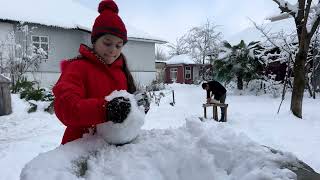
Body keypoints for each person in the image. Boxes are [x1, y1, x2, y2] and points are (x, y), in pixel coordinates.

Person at [53, 0, 148, 145]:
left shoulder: (121, 71)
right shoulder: (77, 68)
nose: (113, 50)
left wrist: (138, 105)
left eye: (118, 45)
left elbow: (126, 107)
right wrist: (104, 110)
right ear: (94, 40)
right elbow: (65, 108)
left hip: (115, 152)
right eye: (107, 43)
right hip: (81, 149)